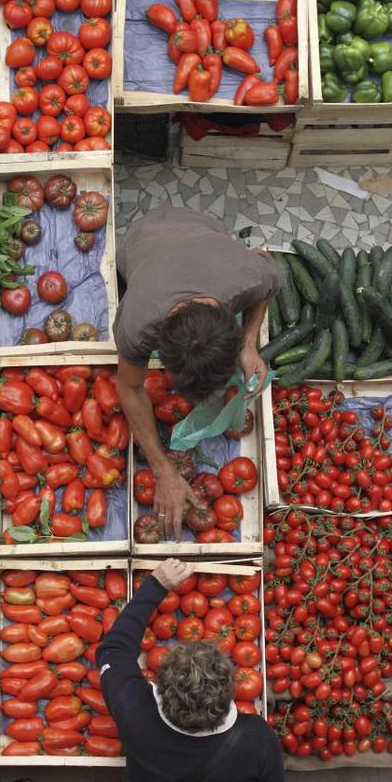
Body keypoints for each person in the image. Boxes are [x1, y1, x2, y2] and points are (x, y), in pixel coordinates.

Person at [97, 558, 289, 782]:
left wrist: (156, 585)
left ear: (159, 686)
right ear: (231, 692)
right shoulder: (254, 739)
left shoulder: (136, 712)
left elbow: (113, 651)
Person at [113, 206, 279, 538]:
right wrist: (163, 472)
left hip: (201, 226)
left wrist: (248, 343)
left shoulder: (247, 275)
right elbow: (129, 389)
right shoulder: (137, 320)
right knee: (126, 270)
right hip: (141, 239)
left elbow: (267, 264)